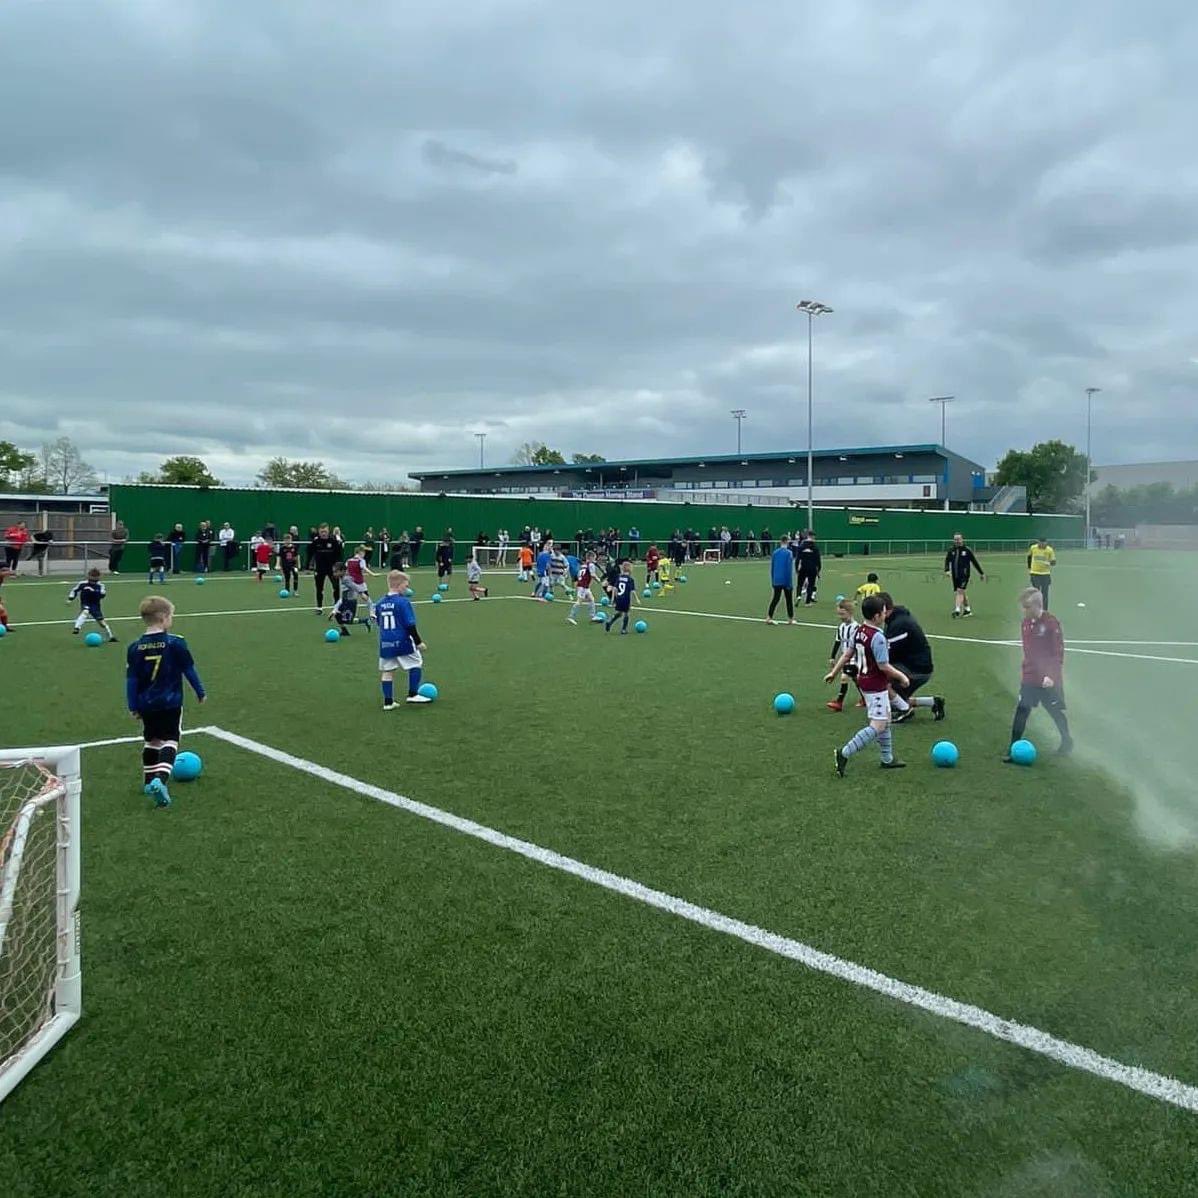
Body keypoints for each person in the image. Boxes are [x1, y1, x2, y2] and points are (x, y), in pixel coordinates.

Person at [125, 594, 206, 807]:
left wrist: (132, 705)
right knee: (171, 739)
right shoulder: (176, 643)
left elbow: (131, 680)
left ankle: (148, 781)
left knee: (151, 740)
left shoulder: (134, 648)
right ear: (163, 618)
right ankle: (160, 780)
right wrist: (200, 691)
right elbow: (189, 670)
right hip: (170, 702)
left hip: (146, 703)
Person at [826, 595, 909, 775]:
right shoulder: (877, 637)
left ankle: (887, 758)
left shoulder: (860, 630)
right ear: (877, 616)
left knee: (885, 719)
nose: (886, 615)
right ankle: (844, 753)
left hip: (865, 681)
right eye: (884, 612)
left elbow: (847, 653)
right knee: (878, 724)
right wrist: (901, 677)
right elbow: (883, 666)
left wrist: (834, 672)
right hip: (875, 685)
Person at [1005, 587, 1072, 760]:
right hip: (1030, 677)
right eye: (1023, 607)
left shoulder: (1051, 623)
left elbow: (1057, 653)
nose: (1024, 610)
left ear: (1037, 606)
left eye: (1027, 607)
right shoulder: (1025, 623)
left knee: (1055, 711)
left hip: (1048, 680)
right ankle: (1012, 748)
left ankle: (1067, 741)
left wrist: (1051, 676)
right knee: (1022, 710)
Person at [879, 593, 945, 723]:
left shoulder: (898, 624)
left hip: (917, 669)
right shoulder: (895, 618)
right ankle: (933, 702)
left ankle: (905, 710)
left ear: (885, 610)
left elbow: (887, 656)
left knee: (879, 682)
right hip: (914, 664)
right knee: (891, 700)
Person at [374, 570, 430, 707]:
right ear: (398, 585)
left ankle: (388, 702)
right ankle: (413, 694)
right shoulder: (403, 602)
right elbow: (410, 625)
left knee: (387, 671)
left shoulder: (380, 603)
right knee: (416, 663)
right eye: (406, 585)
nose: (407, 588)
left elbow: (378, 622)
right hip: (402, 641)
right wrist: (418, 642)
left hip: (385, 642)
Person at [826, 598, 861, 712]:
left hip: (855, 658)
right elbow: (837, 641)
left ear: (850, 612)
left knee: (844, 677)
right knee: (856, 679)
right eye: (839, 614)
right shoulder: (841, 627)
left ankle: (839, 702)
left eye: (843, 614)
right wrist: (832, 657)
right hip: (845, 658)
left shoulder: (856, 628)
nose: (840, 616)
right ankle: (866, 698)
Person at [67, 567, 118, 642]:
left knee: (102, 623)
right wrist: (70, 599)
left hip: (95, 606)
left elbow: (103, 595)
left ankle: (111, 636)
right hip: (85, 603)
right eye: (91, 580)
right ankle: (77, 628)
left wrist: (94, 591)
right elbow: (75, 590)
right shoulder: (82, 584)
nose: (93, 582)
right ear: (88, 577)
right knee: (85, 611)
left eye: (95, 580)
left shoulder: (100, 586)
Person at [944, 533, 985, 618]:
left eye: (958, 539)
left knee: (960, 591)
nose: (957, 541)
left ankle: (957, 610)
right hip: (955, 575)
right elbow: (947, 560)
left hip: (964, 575)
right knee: (962, 592)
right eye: (955, 539)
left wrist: (981, 573)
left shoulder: (967, 550)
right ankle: (967, 610)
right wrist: (947, 570)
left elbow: (974, 562)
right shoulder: (951, 550)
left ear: (962, 539)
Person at [604, 560, 641, 634]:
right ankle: (623, 629)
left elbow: (614, 588)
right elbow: (632, 591)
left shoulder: (619, 578)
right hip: (626, 599)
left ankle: (610, 621)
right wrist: (637, 599)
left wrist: (613, 599)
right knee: (626, 613)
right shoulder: (630, 579)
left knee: (620, 613)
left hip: (619, 598)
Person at [766, 534, 795, 625]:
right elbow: (788, 569)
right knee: (789, 600)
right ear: (787, 541)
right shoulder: (789, 553)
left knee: (775, 598)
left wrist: (773, 580)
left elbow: (772, 568)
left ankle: (769, 617)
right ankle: (790, 619)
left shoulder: (775, 553)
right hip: (785, 580)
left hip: (776, 579)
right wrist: (789, 583)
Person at [344, 544, 376, 624]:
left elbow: (345, 571)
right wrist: (372, 574)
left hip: (351, 584)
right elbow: (364, 568)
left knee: (353, 600)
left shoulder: (349, 561)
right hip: (360, 583)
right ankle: (372, 614)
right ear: (360, 552)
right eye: (364, 553)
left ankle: (352, 615)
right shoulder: (361, 560)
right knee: (367, 599)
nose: (364, 554)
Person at [568, 551, 600, 624]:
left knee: (591, 599)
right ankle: (571, 616)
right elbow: (592, 575)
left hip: (583, 585)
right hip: (583, 586)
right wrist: (598, 580)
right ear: (591, 558)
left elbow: (579, 575)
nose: (595, 559)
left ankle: (593, 616)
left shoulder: (583, 565)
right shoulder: (591, 565)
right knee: (579, 601)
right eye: (594, 558)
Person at [328, 564, 360, 635]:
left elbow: (355, 587)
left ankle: (365, 621)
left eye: (336, 572)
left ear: (342, 571)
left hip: (350, 602)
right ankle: (344, 631)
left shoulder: (346, 579)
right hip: (345, 601)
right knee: (337, 614)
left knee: (348, 621)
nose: (334, 574)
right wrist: (334, 610)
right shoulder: (342, 578)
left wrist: (362, 593)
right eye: (333, 572)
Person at [1028, 535, 1056, 610]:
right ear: (1038, 542)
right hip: (1035, 573)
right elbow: (1029, 557)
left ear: (1046, 543)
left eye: (1044, 543)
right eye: (1041, 543)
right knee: (1036, 593)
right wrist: (1029, 568)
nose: (1042, 544)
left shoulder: (1049, 550)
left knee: (1045, 594)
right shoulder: (1033, 548)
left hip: (1045, 574)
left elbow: (1054, 562)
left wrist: (1049, 563)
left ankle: (1044, 611)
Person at [795, 530, 821, 605]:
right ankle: (807, 602)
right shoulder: (815, 547)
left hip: (803, 567)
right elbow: (818, 560)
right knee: (811, 584)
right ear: (813, 537)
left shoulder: (801, 546)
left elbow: (797, 559)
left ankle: (798, 596)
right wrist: (818, 570)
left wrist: (796, 568)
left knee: (800, 583)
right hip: (812, 568)